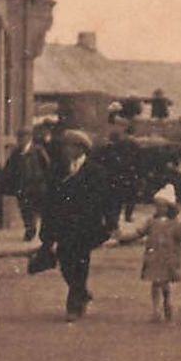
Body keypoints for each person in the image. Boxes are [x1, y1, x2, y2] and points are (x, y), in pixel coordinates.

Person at [39, 129, 116, 322]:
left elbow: (109, 200)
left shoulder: (96, 172)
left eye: (69, 146)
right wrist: (46, 233)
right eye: (64, 146)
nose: (65, 150)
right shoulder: (56, 171)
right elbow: (49, 202)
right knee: (65, 264)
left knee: (80, 263)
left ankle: (73, 305)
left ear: (80, 149)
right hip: (63, 227)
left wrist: (111, 223)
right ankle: (81, 292)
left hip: (86, 227)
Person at [115, 184, 181, 322]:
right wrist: (124, 237)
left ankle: (167, 301)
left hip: (168, 258)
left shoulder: (176, 225)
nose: (159, 209)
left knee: (164, 284)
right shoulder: (151, 222)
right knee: (155, 283)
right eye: (157, 206)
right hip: (154, 257)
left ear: (169, 208)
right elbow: (139, 233)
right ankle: (156, 309)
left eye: (162, 206)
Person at [3, 127, 50, 242]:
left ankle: (32, 230)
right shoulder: (16, 153)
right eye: (19, 138)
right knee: (25, 210)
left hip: (36, 186)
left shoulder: (37, 151)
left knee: (34, 209)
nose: (21, 140)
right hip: (22, 187)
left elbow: (47, 166)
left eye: (23, 137)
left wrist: (44, 181)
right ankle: (29, 228)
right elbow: (10, 168)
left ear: (29, 138)